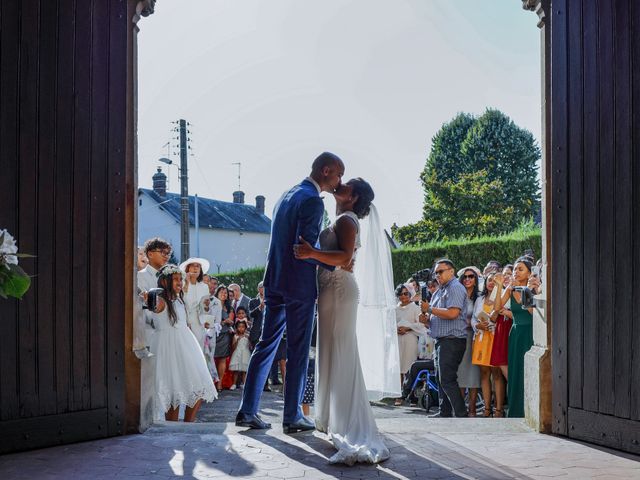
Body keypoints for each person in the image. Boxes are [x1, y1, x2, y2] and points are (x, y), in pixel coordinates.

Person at [236, 152, 344, 433]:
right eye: (338, 175)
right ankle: (293, 416)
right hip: (298, 285)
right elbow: (303, 250)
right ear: (326, 170)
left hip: (274, 281)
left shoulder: (285, 195)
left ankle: (247, 411)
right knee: (297, 350)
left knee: (266, 345)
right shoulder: (311, 200)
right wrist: (336, 262)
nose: (338, 181)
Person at [294, 177, 390, 465]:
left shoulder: (347, 220)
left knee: (341, 352)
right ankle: (334, 417)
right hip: (330, 290)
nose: (340, 185)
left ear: (354, 197)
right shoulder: (342, 218)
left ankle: (349, 422)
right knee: (331, 351)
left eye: (347, 184)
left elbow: (345, 256)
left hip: (338, 290)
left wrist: (311, 252)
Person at [147, 264, 217, 421]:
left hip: (185, 344)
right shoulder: (161, 300)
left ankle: (188, 423)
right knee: (173, 391)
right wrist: (147, 298)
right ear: (164, 282)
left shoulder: (179, 300)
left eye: (181, 279)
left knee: (198, 386)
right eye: (175, 280)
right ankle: (173, 425)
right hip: (168, 346)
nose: (180, 282)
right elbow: (152, 306)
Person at [422, 258, 468, 418]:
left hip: (452, 340)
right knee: (441, 379)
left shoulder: (455, 288)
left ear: (451, 271)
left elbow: (453, 313)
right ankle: (444, 412)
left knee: (447, 379)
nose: (438, 276)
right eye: (436, 273)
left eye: (440, 272)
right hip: (441, 340)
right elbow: (437, 317)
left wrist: (430, 309)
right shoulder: (440, 291)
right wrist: (426, 321)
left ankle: (462, 415)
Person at [494, 257, 535, 418]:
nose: (516, 272)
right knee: (515, 372)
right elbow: (496, 308)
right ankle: (516, 411)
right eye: (515, 269)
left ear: (529, 273)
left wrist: (522, 296)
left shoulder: (534, 289)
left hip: (530, 332)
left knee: (528, 371)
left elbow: (533, 313)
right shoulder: (510, 288)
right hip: (516, 333)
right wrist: (499, 286)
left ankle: (530, 411)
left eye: (521, 269)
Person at [472, 272, 507, 417]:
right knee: (484, 374)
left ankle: (498, 409)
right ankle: (487, 408)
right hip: (481, 339)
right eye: (489, 280)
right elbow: (474, 318)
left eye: (494, 280)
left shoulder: (502, 297)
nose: (491, 282)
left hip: (495, 338)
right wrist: (478, 326)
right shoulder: (479, 299)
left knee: (497, 374)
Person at [394, 283, 426, 406]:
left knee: (408, 366)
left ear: (410, 294)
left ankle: (411, 394)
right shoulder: (395, 309)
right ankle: (398, 394)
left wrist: (407, 328)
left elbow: (421, 325)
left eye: (406, 293)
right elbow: (389, 324)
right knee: (398, 367)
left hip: (410, 339)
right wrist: (396, 329)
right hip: (398, 339)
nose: (403, 296)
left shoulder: (415, 307)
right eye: (400, 294)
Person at [456, 267, 481, 416]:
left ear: (475, 279)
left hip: (474, 337)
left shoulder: (479, 297)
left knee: (474, 374)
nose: (467, 279)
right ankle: (460, 409)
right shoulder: (457, 295)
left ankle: (472, 409)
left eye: (471, 276)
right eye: (465, 277)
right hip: (459, 336)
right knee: (460, 374)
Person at [180, 258, 211, 352]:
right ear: (187, 269)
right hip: (184, 319)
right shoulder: (181, 284)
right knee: (186, 349)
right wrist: (187, 283)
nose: (195, 268)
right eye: (192, 265)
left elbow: (206, 306)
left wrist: (208, 321)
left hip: (199, 321)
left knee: (198, 349)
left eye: (197, 266)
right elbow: (181, 301)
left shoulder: (204, 286)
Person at [213, 284, 235, 389]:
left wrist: (226, 322)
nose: (223, 294)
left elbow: (231, 321)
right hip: (213, 334)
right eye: (221, 292)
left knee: (222, 359)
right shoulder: (212, 304)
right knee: (211, 358)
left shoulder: (229, 307)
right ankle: (211, 383)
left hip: (225, 335)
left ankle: (220, 383)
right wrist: (222, 322)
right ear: (217, 293)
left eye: (225, 292)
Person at [229, 314, 251, 390]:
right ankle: (234, 383)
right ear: (237, 328)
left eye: (243, 327)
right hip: (237, 353)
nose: (241, 329)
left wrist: (248, 339)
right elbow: (233, 347)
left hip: (245, 353)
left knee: (244, 371)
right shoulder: (235, 336)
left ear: (245, 328)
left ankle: (244, 384)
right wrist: (237, 340)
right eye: (239, 327)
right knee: (236, 370)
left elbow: (250, 346)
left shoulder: (247, 335)